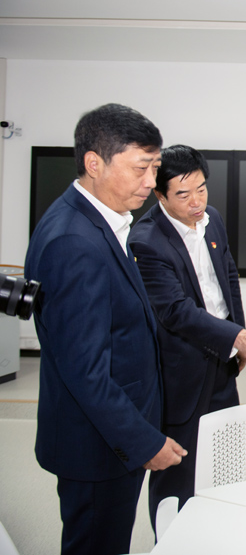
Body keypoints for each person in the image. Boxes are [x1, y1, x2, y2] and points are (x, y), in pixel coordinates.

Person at [24, 104, 186, 555]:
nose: (151, 182)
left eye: (155, 167)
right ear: (94, 163)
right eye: (140, 168)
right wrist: (144, 442)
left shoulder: (98, 220)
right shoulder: (74, 241)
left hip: (108, 436)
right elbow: (86, 372)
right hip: (97, 445)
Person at [129, 145, 246, 529]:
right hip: (181, 369)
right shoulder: (146, 240)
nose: (196, 201)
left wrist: (238, 336)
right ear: (159, 193)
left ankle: (218, 535)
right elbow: (175, 310)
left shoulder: (211, 219)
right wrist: (236, 336)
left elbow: (227, 276)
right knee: (179, 469)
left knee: (225, 458)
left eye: (201, 189)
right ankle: (172, 542)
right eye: (183, 194)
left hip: (221, 358)